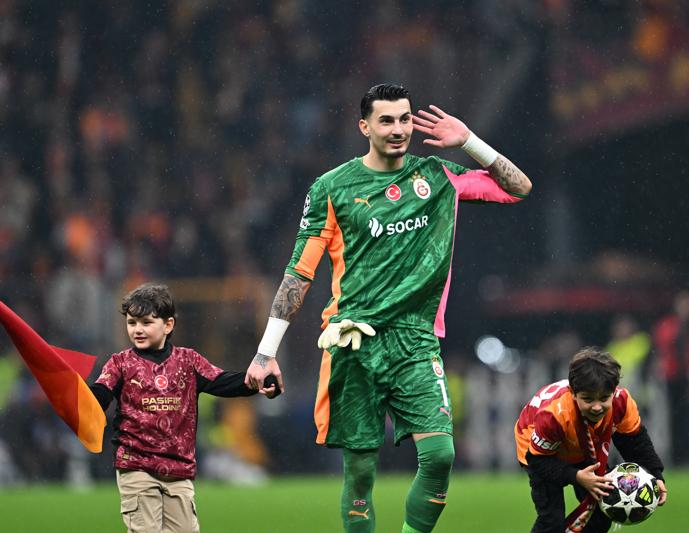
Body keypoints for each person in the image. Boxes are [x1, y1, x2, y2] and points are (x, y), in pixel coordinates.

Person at [245, 83, 531, 533]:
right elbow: (298, 274)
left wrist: (470, 141)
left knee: (440, 455)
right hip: (353, 342)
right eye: (386, 120)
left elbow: (518, 188)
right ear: (365, 127)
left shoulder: (437, 175)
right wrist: (266, 352)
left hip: (416, 340)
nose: (398, 130)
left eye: (404, 119)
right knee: (360, 474)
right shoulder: (332, 188)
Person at [90, 283, 279, 533]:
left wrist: (260, 382)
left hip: (178, 469)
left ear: (168, 325)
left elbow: (222, 382)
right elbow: (100, 395)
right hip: (136, 466)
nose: (137, 329)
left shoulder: (188, 361)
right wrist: (81, 397)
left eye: (146, 322)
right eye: (132, 322)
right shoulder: (119, 363)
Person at [514, 347, 667, 533]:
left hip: (581, 446)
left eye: (604, 398)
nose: (597, 407)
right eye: (588, 399)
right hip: (539, 452)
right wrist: (576, 476)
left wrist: (655, 475)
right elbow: (537, 460)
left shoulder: (621, 402)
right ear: (573, 393)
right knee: (551, 521)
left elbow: (635, 442)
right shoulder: (553, 415)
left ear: (614, 391)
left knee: (601, 514)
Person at [652, 290, 689, 465]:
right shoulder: (669, 326)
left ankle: (681, 456)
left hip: (683, 379)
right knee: (669, 420)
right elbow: (664, 350)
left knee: (682, 419)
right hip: (669, 379)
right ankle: (672, 456)